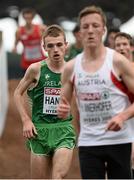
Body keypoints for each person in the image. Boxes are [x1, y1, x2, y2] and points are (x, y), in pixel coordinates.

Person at [57, 5, 134, 179]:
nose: (90, 31)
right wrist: (62, 111)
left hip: (118, 140)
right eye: (85, 27)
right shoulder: (70, 68)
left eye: (95, 26)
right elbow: (63, 106)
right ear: (79, 33)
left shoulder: (118, 62)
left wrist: (122, 117)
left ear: (104, 30)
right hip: (88, 141)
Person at [14, 24, 76, 179]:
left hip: (64, 130)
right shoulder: (36, 69)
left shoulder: (73, 69)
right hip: (39, 131)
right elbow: (17, 93)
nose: (55, 49)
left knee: (58, 176)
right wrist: (25, 120)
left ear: (66, 45)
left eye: (59, 45)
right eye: (51, 46)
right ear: (44, 47)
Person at [114, 32, 134, 176]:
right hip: (119, 123)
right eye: (118, 45)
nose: (121, 48)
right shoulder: (111, 71)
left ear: (131, 47)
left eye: (124, 44)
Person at [12, 8, 47, 73]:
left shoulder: (40, 28)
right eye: (26, 18)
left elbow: (49, 34)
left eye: (29, 18)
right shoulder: (19, 31)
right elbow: (16, 42)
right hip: (26, 62)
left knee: (41, 80)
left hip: (39, 60)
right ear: (23, 18)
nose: (28, 20)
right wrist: (14, 47)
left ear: (33, 17)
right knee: (28, 81)